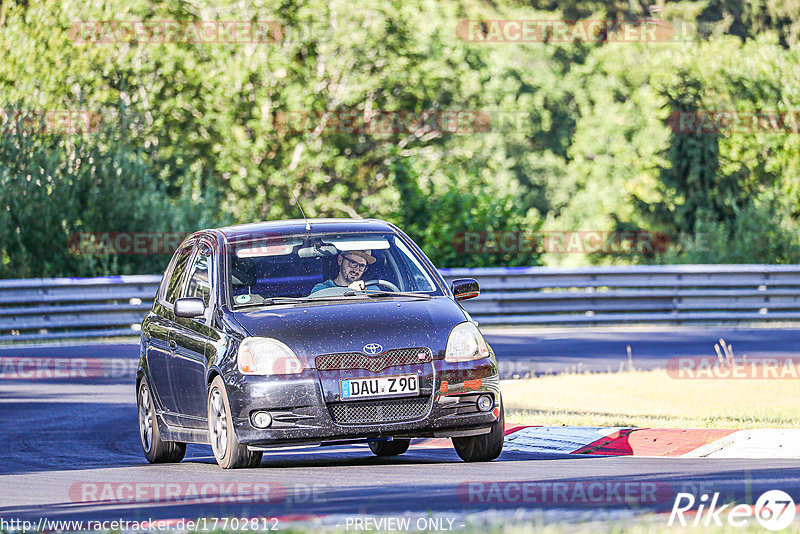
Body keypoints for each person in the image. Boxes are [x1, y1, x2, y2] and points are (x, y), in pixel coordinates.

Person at [310, 250, 376, 293]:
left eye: (362, 266)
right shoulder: (321, 290)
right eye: (353, 263)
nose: (356, 270)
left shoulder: (372, 290)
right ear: (340, 260)